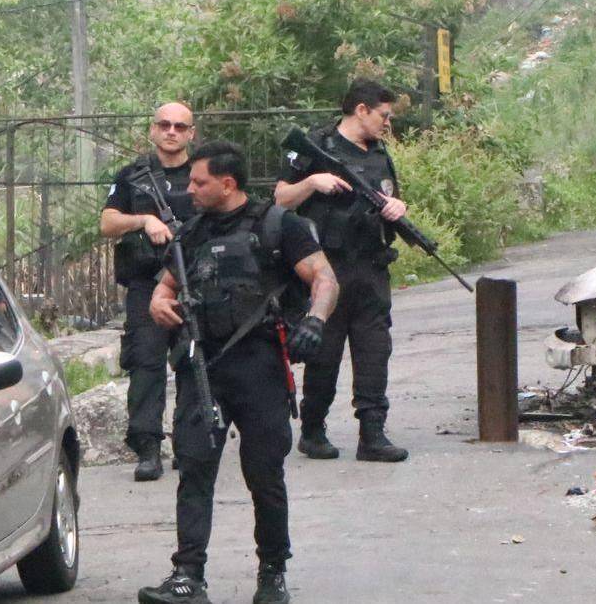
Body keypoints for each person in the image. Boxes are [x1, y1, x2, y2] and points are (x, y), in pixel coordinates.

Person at [140, 141, 338, 604]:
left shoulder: (278, 226)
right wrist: (159, 304)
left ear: (227, 184)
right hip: (202, 365)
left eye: (199, 182)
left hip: (260, 366)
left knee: (264, 473)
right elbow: (163, 289)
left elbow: (325, 279)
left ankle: (272, 571)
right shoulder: (190, 235)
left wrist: (315, 320)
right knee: (194, 467)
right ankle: (188, 575)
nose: (189, 190)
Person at [276, 80, 412, 463]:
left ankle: (372, 434)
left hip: (371, 267)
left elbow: (389, 196)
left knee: (374, 351)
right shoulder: (316, 147)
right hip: (328, 270)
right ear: (361, 110)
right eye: (383, 115)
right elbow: (281, 199)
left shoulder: (379, 155)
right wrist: (311, 182)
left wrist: (397, 208)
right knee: (324, 353)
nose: (387, 123)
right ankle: (313, 430)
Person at [99, 103, 198, 482]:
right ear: (153, 130)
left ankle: (190, 444)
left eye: (180, 126)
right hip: (146, 283)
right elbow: (108, 222)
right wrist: (144, 220)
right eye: (164, 125)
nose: (172, 131)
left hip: (194, 280)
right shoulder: (132, 176)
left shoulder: (202, 173)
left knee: (195, 360)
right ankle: (148, 448)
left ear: (191, 133)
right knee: (146, 363)